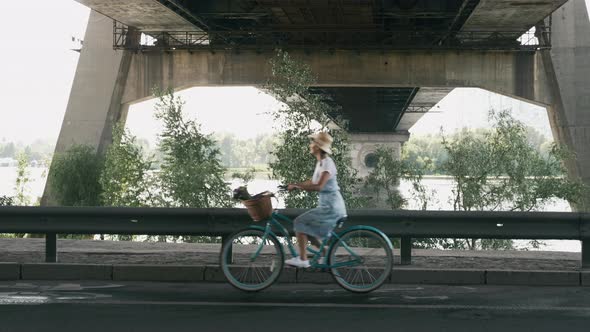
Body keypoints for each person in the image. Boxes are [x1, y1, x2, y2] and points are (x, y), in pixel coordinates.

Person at [284, 132, 347, 268]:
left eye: (313, 143)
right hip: (327, 205)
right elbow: (311, 182)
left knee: (299, 222)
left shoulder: (327, 164)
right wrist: (295, 185)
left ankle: (303, 259)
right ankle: (325, 252)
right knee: (307, 228)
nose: (310, 145)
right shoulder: (321, 163)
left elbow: (319, 186)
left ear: (318, 147)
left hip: (331, 207)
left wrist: (298, 186)